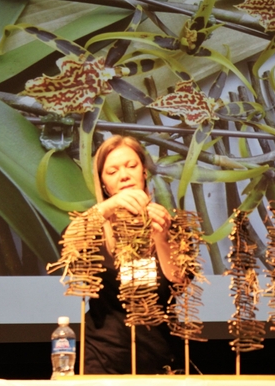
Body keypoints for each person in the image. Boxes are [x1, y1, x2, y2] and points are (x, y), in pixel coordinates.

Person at [63, 134, 184, 374]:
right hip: (104, 358)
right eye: (112, 171)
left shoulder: (169, 223)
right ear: (103, 183)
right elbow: (68, 242)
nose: (124, 175)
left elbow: (180, 280)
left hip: (160, 357)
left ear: (145, 172)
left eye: (131, 166)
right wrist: (107, 207)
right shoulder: (95, 227)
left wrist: (161, 237)